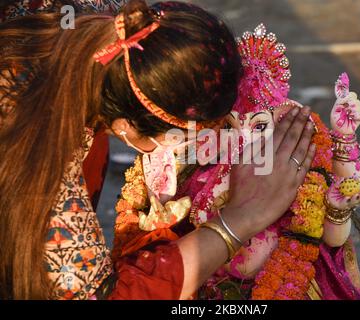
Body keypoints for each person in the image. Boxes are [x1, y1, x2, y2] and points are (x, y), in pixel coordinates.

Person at [0, 0, 315, 300]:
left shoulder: (117, 30)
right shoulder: (39, 155)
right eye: (184, 139)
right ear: (126, 129)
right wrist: (242, 219)